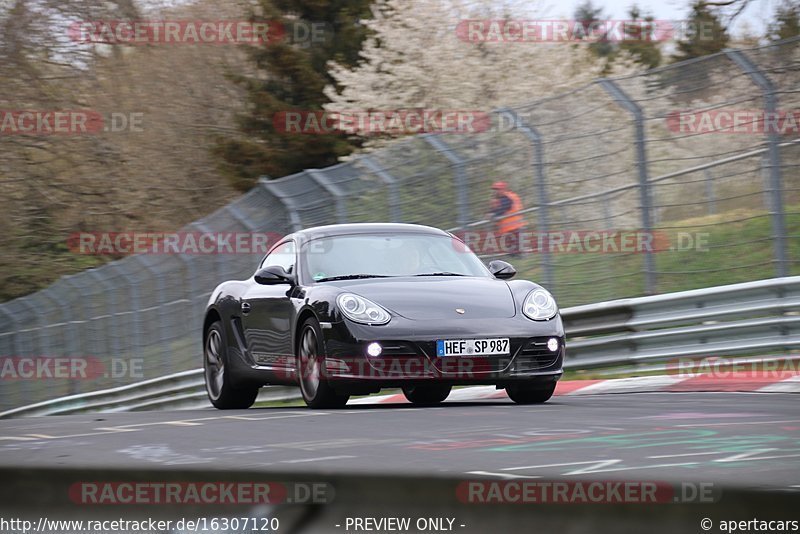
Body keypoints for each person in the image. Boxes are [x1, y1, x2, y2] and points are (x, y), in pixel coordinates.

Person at [488, 181, 525, 257]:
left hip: (514, 228)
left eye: (497, 189)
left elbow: (502, 209)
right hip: (509, 229)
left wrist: (493, 215)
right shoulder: (501, 199)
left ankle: (520, 258)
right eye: (495, 190)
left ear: (503, 189)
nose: (496, 191)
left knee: (515, 251)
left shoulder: (506, 198)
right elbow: (496, 210)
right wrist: (490, 213)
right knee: (512, 251)